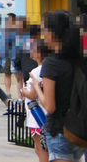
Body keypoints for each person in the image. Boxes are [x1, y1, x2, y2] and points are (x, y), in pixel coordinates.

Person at [38, 10, 85, 162]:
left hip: (60, 131)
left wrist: (37, 89)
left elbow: (50, 106)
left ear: (52, 33)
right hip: (80, 130)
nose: (43, 34)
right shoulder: (80, 60)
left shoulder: (51, 63)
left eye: (44, 30)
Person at [19, 31, 48, 162]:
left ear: (39, 53)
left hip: (37, 115)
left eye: (33, 49)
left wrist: (23, 91)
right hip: (42, 112)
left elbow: (32, 95)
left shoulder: (36, 72)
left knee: (40, 148)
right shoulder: (46, 69)